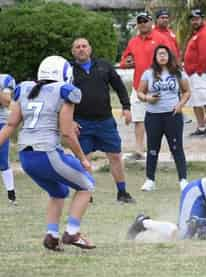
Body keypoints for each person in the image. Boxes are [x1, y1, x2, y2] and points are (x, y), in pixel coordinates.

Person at [0, 56, 95, 251]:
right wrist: (82, 158)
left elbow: (10, 125)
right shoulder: (64, 92)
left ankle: (51, 236)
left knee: (58, 191)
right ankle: (72, 232)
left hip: (26, 157)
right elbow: (67, 133)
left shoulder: (25, 89)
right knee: (86, 185)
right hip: (47, 154)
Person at [71, 38, 135, 204]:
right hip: (81, 123)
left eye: (84, 46)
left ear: (90, 49)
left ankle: (122, 193)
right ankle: (87, 193)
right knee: (84, 158)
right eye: (77, 47)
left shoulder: (104, 66)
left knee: (115, 156)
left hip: (105, 121)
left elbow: (120, 87)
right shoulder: (68, 71)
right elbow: (62, 98)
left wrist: (126, 107)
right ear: (73, 52)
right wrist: (69, 120)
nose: (81, 49)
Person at [137, 45, 191, 192]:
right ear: (155, 57)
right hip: (153, 116)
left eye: (165, 54)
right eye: (159, 54)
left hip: (172, 115)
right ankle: (150, 180)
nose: (162, 56)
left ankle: (183, 179)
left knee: (176, 148)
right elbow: (140, 93)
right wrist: (148, 98)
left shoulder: (178, 73)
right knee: (153, 148)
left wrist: (180, 105)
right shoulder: (148, 73)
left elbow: (186, 92)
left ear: (169, 56)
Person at [120, 11, 170, 160]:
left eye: (145, 21)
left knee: (162, 119)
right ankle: (139, 151)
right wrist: (126, 63)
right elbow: (124, 61)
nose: (142, 24)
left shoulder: (161, 39)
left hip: (159, 85)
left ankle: (164, 148)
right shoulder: (133, 41)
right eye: (140, 21)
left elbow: (170, 58)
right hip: (138, 86)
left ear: (151, 22)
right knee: (139, 119)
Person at [184, 8, 206, 138]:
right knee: (196, 100)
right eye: (192, 19)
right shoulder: (196, 33)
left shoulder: (205, 33)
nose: (194, 21)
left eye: (197, 19)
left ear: (202, 19)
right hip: (194, 73)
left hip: (201, 73)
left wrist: (198, 71)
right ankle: (201, 127)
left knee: (205, 100)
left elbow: (204, 55)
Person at [0, 73, 17, 205]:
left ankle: (11, 194)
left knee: (3, 161)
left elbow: (6, 101)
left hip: (1, 123)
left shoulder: (5, 79)